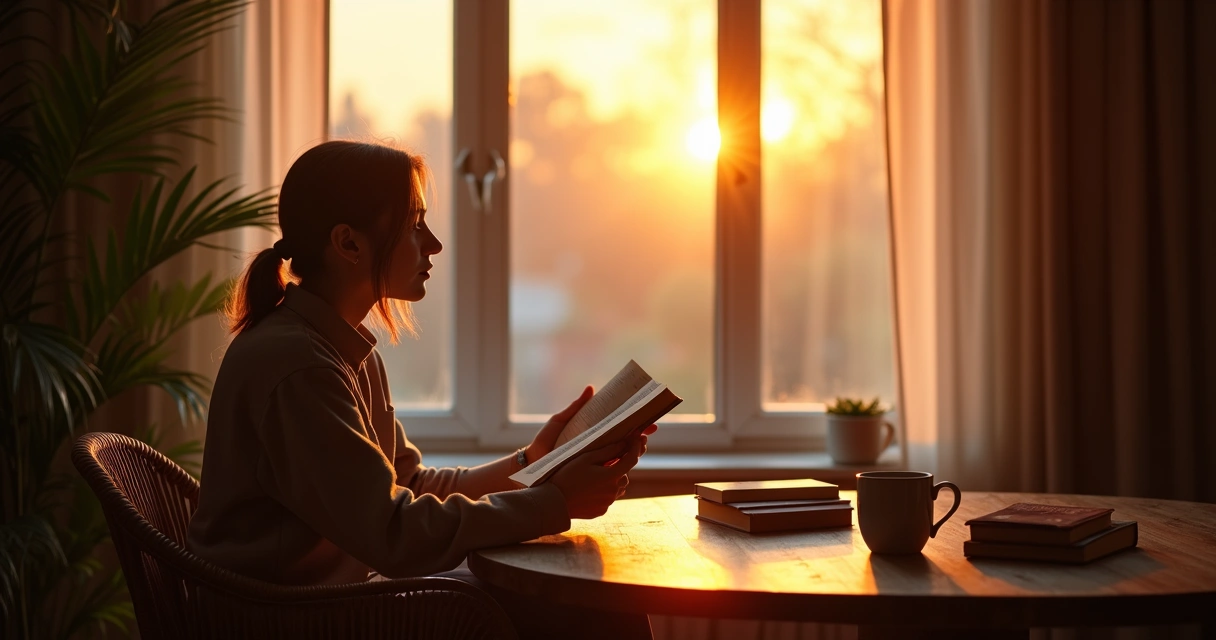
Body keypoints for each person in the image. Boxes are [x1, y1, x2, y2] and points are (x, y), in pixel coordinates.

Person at [187, 140, 656, 638]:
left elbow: (410, 486)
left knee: (580, 596)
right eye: (415, 225)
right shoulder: (297, 366)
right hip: (284, 619)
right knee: (586, 605)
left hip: (325, 602)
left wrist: (532, 462)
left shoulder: (336, 349)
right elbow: (396, 534)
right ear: (349, 244)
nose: (433, 244)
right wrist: (554, 503)